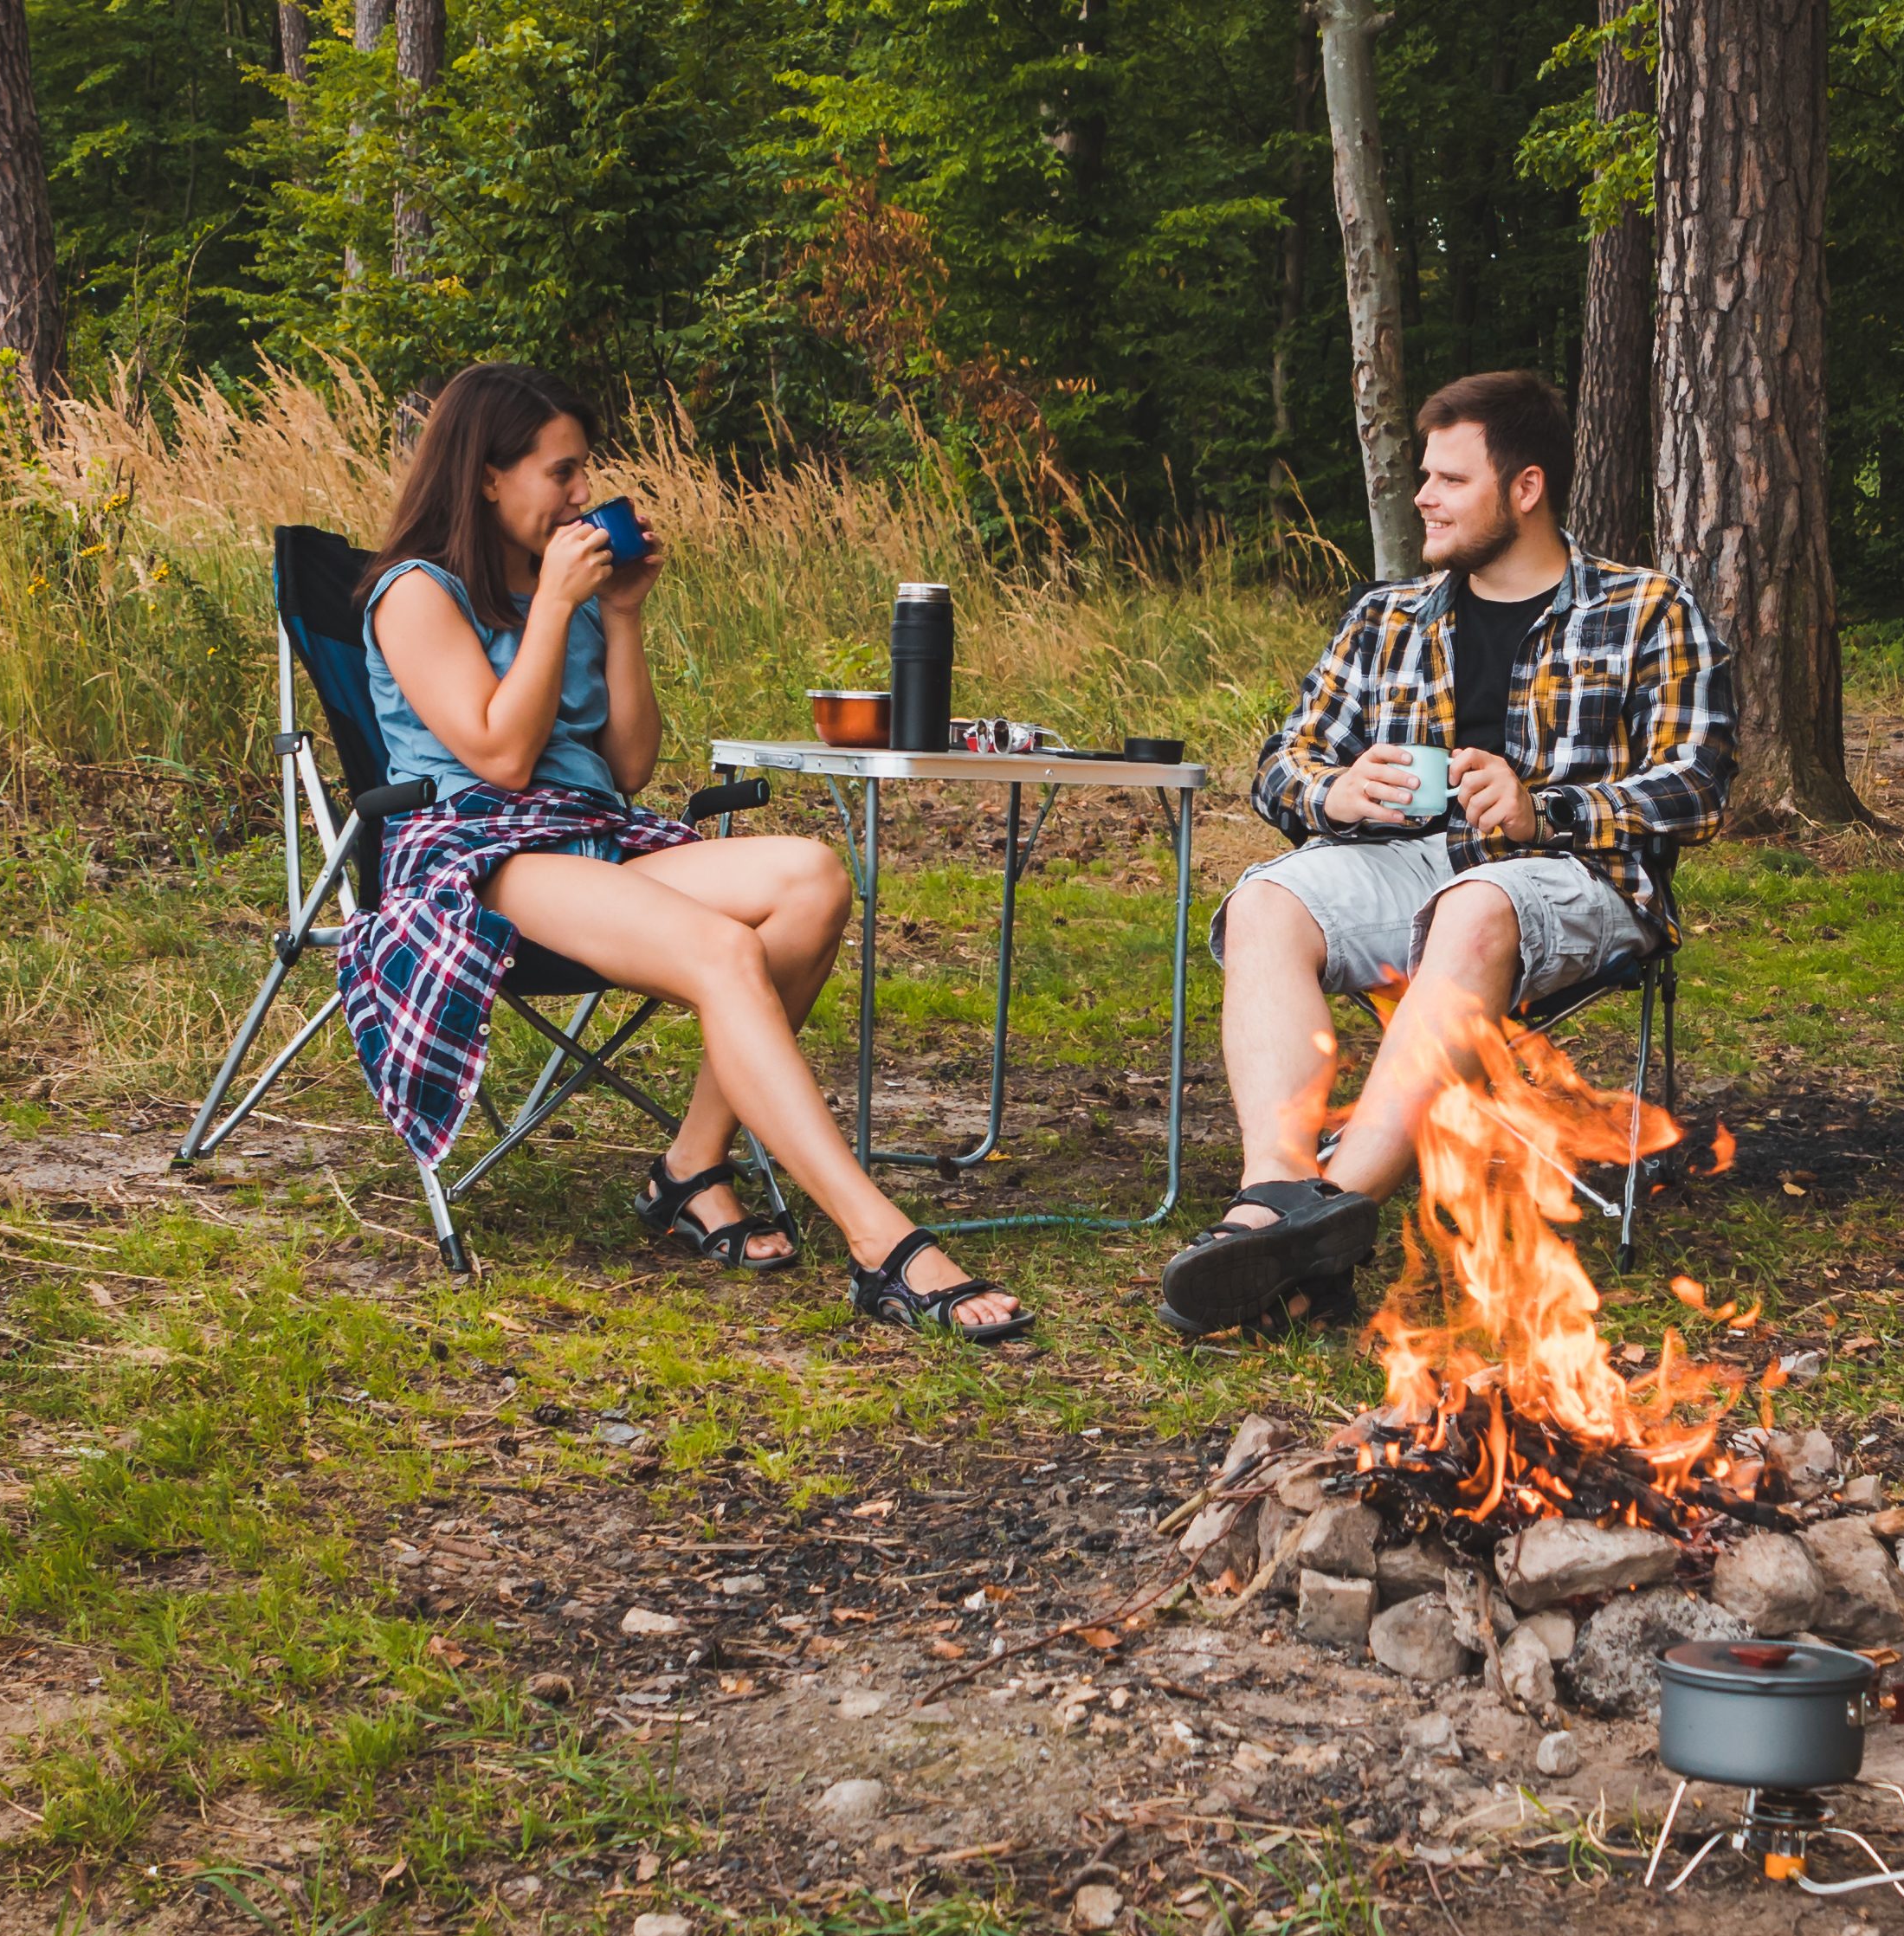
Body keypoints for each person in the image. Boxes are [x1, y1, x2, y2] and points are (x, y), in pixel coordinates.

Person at [338, 363, 1031, 1341]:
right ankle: (880, 1239)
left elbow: (626, 764)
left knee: (810, 879)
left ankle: (691, 1166)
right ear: (487, 476)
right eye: (561, 472)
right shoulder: (417, 592)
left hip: (593, 840)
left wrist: (619, 616)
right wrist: (550, 611)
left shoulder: (569, 594)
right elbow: (496, 753)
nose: (583, 495)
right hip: (482, 856)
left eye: (585, 473)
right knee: (723, 950)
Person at [1158, 370, 1733, 1334]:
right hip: (1405, 863)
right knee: (1263, 902)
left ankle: (1331, 1207)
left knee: (1475, 904)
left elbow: (1700, 788)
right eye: (1425, 475)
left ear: (1525, 488)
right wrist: (1328, 790)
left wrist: (1544, 810)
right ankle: (1275, 1203)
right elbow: (1280, 765)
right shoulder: (1387, 617)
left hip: (1572, 877)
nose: (1422, 495)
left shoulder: (1647, 612)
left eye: (1449, 479)